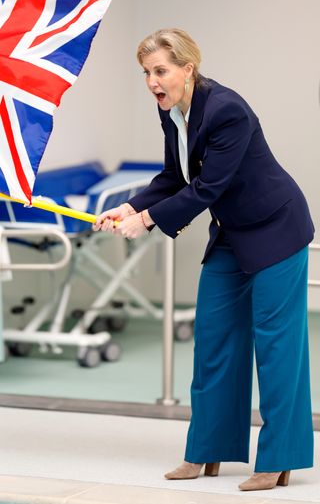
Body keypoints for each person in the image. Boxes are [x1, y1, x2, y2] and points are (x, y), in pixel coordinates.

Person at [94, 28, 314, 491]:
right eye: (146, 73)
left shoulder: (226, 109)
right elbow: (176, 176)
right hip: (232, 234)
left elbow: (208, 186)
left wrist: (149, 220)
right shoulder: (174, 112)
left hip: (276, 229)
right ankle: (208, 450)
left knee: (277, 347)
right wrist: (131, 207)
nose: (152, 81)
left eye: (161, 71)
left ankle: (279, 460)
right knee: (213, 339)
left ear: (187, 69)